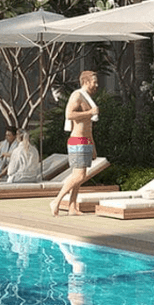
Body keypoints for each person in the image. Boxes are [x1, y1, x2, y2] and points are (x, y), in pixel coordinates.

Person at [50, 70, 99, 217]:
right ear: (85, 82)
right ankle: (56, 201)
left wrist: (94, 147)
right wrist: (90, 112)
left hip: (86, 140)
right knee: (79, 176)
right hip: (77, 140)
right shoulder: (77, 95)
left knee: (78, 176)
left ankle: (72, 207)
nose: (96, 85)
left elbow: (89, 127)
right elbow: (69, 114)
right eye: (94, 82)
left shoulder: (88, 99)